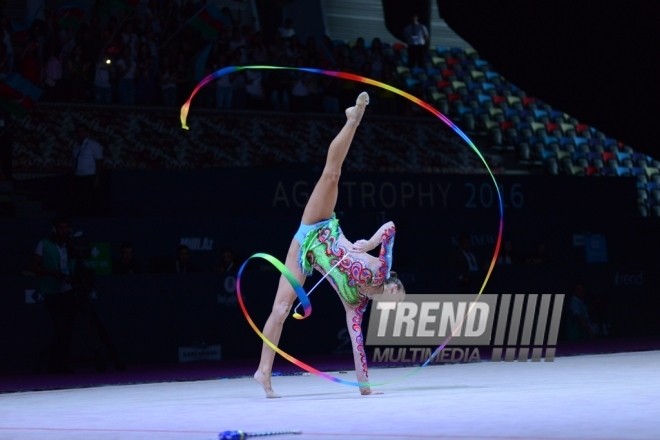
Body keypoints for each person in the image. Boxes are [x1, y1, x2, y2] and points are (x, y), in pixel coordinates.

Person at [253, 92, 405, 398]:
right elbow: (390, 227)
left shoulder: (356, 306)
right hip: (319, 226)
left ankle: (262, 372)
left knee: (282, 309)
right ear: (392, 283)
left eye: (394, 302)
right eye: (397, 292)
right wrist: (370, 244)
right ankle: (354, 119)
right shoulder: (382, 265)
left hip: (304, 255)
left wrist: (365, 388)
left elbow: (357, 343)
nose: (392, 297)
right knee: (332, 174)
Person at [31, 215, 77, 373]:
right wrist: (51, 273)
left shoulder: (71, 247)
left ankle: (61, 363)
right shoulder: (43, 244)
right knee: (60, 327)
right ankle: (52, 363)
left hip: (68, 291)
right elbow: (35, 266)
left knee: (67, 329)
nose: (63, 230)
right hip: (51, 292)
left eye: (66, 227)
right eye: (60, 227)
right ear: (54, 229)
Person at [71, 125, 103, 216]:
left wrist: (97, 178)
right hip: (78, 177)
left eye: (83, 131)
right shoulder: (76, 148)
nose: (81, 133)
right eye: (79, 131)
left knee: (89, 200)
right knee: (78, 200)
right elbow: (74, 164)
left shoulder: (94, 145)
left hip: (89, 177)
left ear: (87, 132)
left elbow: (99, 161)